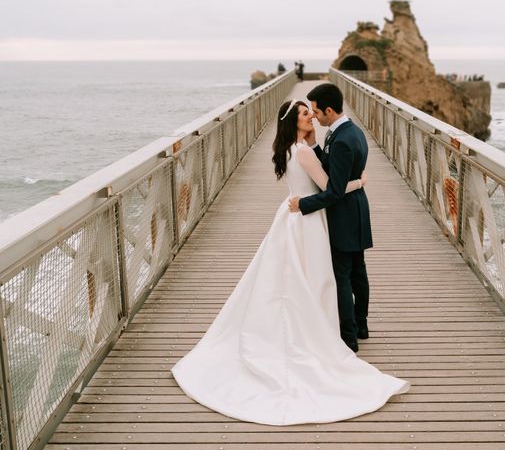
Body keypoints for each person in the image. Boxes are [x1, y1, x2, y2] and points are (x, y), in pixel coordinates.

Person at [172, 99, 409, 425]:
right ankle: (325, 329)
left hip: (292, 213)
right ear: (294, 122)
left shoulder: (292, 149)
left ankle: (314, 324)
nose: (310, 115)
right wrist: (360, 182)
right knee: (316, 276)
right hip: (308, 219)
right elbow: (332, 189)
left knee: (290, 275)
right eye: (304, 113)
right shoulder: (304, 152)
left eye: (310, 110)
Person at [288, 83, 371, 353]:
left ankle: (349, 338)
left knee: (343, 277)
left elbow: (334, 191)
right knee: (359, 272)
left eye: (315, 111)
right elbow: (336, 169)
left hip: (344, 215)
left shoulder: (342, 139)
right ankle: (361, 325)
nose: (313, 116)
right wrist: (315, 147)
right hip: (358, 209)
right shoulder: (352, 132)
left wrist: (303, 204)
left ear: (329, 110)